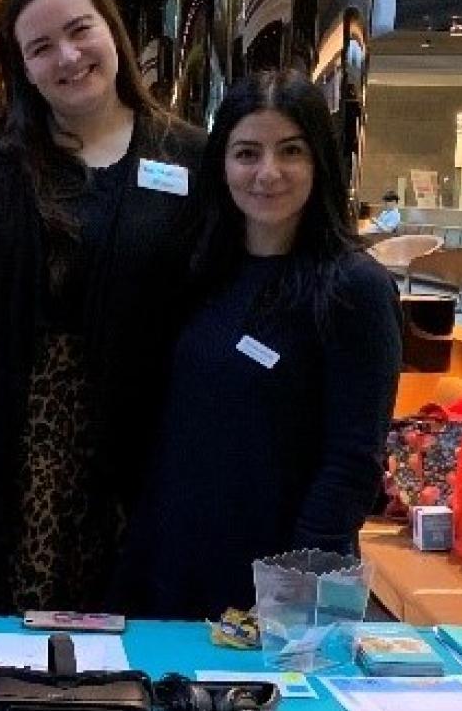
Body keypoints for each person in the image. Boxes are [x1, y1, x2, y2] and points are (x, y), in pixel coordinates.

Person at [0, 0, 206, 614]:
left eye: (80, 31)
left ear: (113, 29)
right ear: (18, 63)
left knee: (116, 645)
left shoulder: (187, 156)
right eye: (41, 47)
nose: (67, 57)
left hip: (130, 446)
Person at [114, 71, 403, 619]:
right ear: (221, 164)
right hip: (174, 563)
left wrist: (292, 591)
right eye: (247, 153)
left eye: (290, 151)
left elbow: (350, 464)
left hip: (281, 585)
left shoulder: (353, 288)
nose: (268, 173)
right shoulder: (198, 272)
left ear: (319, 160)